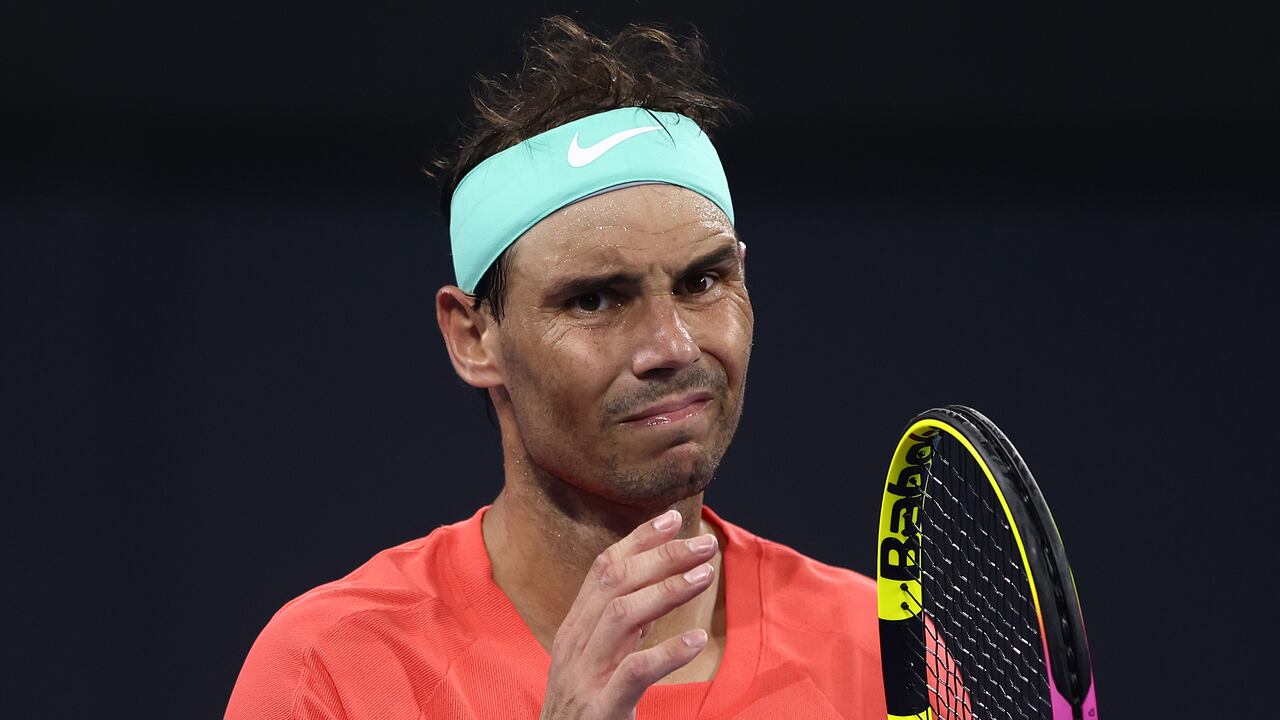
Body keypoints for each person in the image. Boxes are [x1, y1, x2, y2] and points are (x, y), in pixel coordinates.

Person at [225, 16, 884, 719]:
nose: (673, 345)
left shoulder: (881, 655)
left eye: (701, 283)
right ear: (473, 336)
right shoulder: (329, 671)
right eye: (595, 299)